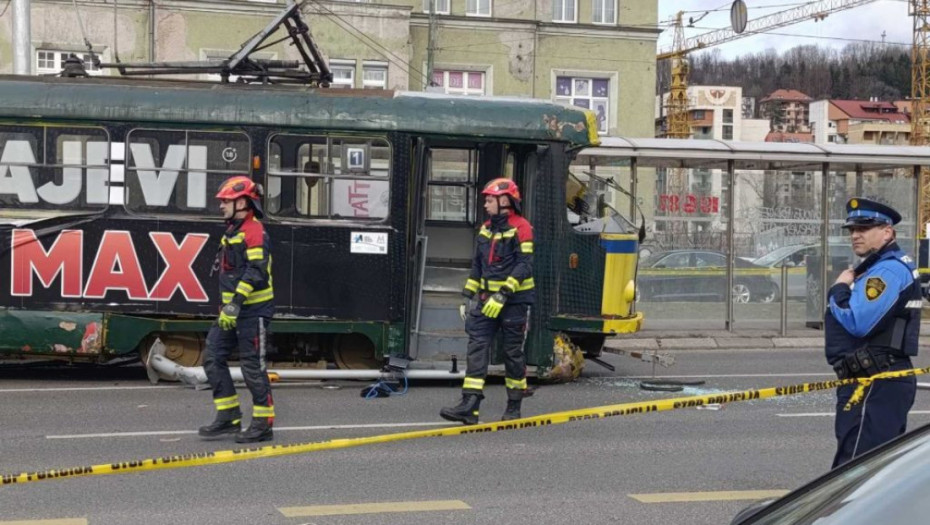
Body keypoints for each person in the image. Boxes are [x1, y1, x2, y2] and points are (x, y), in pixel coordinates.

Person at [825, 197, 921, 467]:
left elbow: (858, 322)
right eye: (853, 230)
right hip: (874, 378)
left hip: (874, 381)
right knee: (873, 471)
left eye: (864, 228)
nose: (855, 235)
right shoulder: (879, 266)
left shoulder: (887, 270)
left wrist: (838, 289)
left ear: (887, 232)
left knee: (855, 470)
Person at [440, 178, 535, 424]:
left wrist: (503, 294)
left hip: (513, 303)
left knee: (512, 353)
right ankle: (469, 406)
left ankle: (514, 406)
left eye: (490, 199)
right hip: (486, 302)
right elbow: (478, 266)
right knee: (477, 348)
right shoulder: (485, 229)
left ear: (505, 201)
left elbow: (524, 265)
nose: (485, 204)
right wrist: (467, 295)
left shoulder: (522, 227)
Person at [198, 176, 276, 443]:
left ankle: (263, 425)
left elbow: (256, 272)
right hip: (232, 311)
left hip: (253, 312)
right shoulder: (233, 230)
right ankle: (229, 416)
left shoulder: (254, 231)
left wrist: (235, 303)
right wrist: (228, 308)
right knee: (212, 357)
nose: (221, 206)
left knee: (252, 367)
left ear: (242, 203)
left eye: (226, 201)